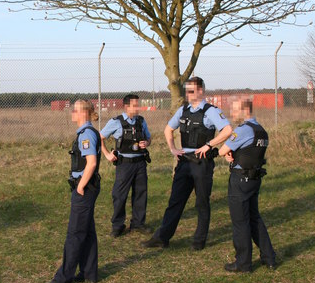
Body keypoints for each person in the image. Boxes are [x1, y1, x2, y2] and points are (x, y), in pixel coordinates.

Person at [142, 76, 232, 249]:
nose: (188, 94)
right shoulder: (183, 110)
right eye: (187, 91)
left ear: (201, 91)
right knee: (175, 201)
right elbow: (168, 129)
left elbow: (227, 130)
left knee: (201, 202)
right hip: (184, 163)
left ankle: (199, 240)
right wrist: (173, 148)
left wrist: (209, 145)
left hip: (201, 163)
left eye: (191, 91)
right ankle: (162, 238)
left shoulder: (211, 111)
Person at [47, 99, 101, 283]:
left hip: (84, 188)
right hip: (87, 187)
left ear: (84, 113)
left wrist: (80, 187)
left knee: (75, 233)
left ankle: (64, 276)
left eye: (75, 110)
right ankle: (89, 273)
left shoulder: (86, 134)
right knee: (87, 231)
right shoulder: (88, 132)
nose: (72, 113)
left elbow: (91, 163)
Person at [218, 97, 276, 272]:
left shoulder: (243, 130)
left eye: (235, 110)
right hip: (254, 180)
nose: (232, 113)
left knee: (240, 222)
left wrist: (228, 153)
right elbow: (249, 153)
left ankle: (243, 263)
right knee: (254, 218)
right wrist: (234, 154)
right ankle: (269, 257)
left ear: (245, 110)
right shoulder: (261, 131)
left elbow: (222, 150)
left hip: (240, 181)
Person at [100, 94, 152, 237]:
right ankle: (118, 225)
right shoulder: (116, 122)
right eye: (135, 105)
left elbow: (149, 137)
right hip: (124, 165)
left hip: (140, 163)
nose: (138, 108)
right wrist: (107, 155)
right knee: (119, 195)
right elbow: (100, 138)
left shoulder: (141, 121)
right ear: (126, 106)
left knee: (141, 194)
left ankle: (138, 223)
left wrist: (146, 143)